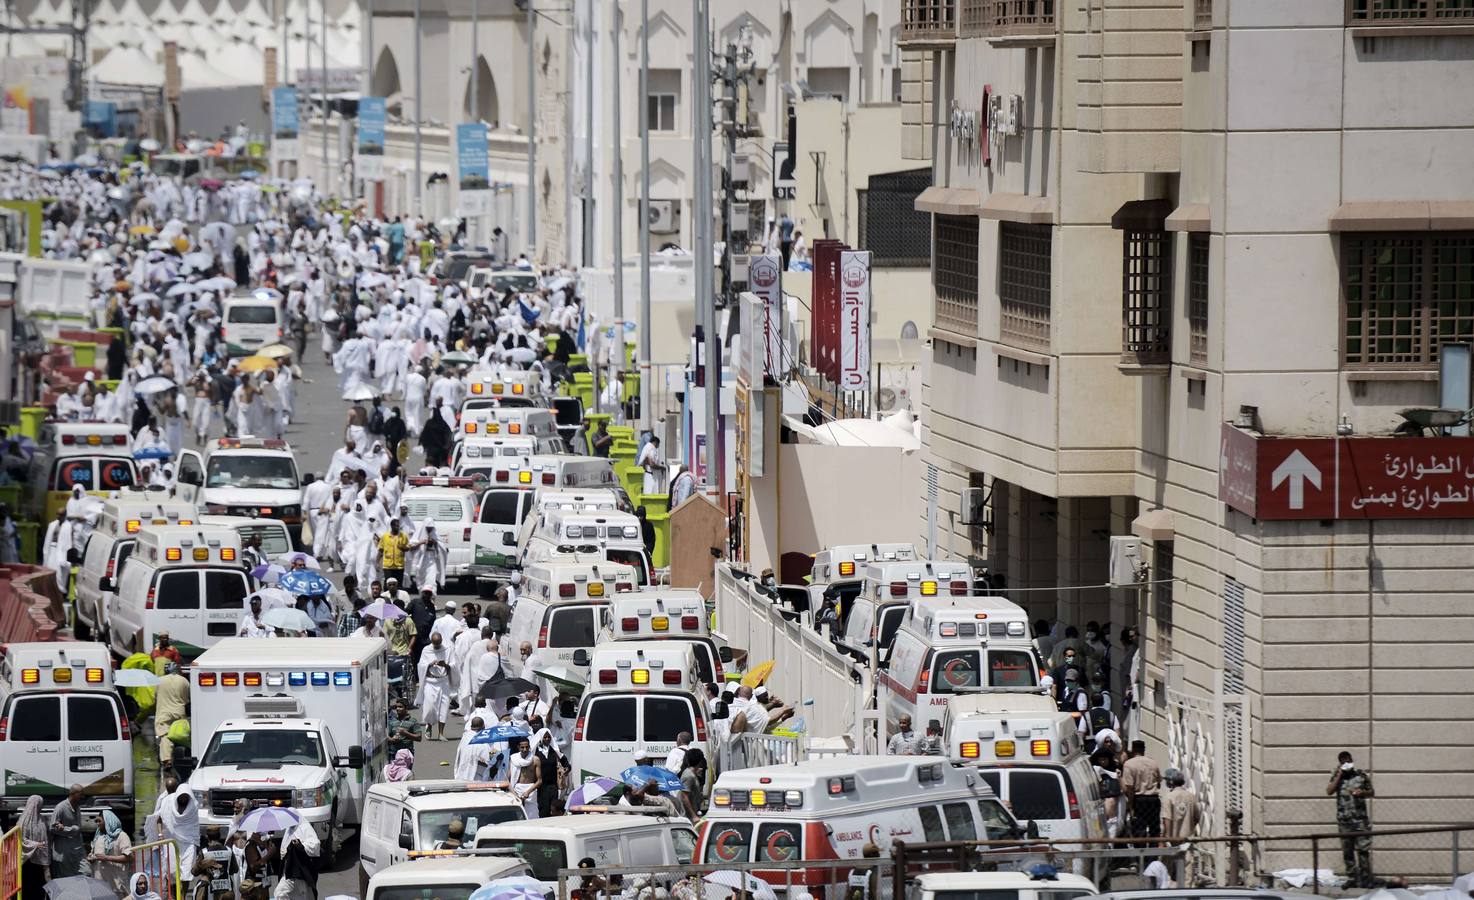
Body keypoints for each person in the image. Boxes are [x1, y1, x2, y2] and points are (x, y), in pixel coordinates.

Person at [1328, 750, 1375, 888]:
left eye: (1349, 761)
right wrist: (1339, 775)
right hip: (1345, 821)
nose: (1347, 764)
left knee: (1363, 851)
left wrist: (1363, 793)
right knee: (1347, 851)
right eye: (1344, 762)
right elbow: (1329, 791)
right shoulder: (1337, 776)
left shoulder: (1361, 775)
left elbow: (1372, 792)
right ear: (1340, 763)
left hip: (1360, 820)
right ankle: (1352, 878)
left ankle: (1366, 879)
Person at [1120, 740, 1163, 839]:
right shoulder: (1153, 763)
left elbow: (1129, 788)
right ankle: (1153, 853)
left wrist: (1130, 806)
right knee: (1154, 829)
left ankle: (1140, 852)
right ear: (1144, 750)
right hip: (1154, 799)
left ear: (1133, 750)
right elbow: (1159, 783)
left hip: (1139, 800)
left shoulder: (1129, 764)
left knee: (1139, 829)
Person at [416, 632, 453, 739]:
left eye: (438, 644)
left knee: (444, 708)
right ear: (432, 642)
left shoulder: (447, 649)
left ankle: (441, 733)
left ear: (441, 641)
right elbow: (421, 665)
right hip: (430, 682)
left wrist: (445, 665)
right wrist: (429, 664)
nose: (437, 647)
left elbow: (453, 665)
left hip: (443, 681)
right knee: (430, 707)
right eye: (435, 644)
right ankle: (429, 725)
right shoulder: (426, 650)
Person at [89, 809, 133, 896]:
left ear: (108, 821)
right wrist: (91, 858)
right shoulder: (98, 836)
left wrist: (107, 858)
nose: (97, 824)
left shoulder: (121, 836)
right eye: (96, 821)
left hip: (116, 883)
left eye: (99, 821)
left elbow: (129, 857)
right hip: (100, 883)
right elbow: (94, 854)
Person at [48, 783, 87, 878]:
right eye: (80, 794)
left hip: (77, 850)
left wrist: (68, 829)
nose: (83, 796)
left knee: (87, 872)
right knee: (67, 879)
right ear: (73, 794)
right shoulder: (60, 807)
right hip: (64, 852)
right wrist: (72, 829)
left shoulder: (77, 807)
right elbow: (52, 828)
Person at [533, 728, 568, 818]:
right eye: (545, 737)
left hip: (553, 786)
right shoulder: (536, 751)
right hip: (541, 787)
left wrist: (566, 769)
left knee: (553, 809)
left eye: (549, 737)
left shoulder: (554, 751)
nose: (547, 739)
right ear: (541, 738)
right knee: (543, 809)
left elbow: (564, 761)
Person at [18, 795, 47, 900]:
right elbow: (21, 839)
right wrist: (35, 844)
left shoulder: (41, 819)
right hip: (27, 861)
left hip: (38, 859)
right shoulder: (23, 821)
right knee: (28, 886)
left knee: (39, 885)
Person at [1162, 767, 1200, 841]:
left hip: (1174, 840)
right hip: (1188, 839)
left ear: (1171, 782)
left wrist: (1166, 838)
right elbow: (1197, 817)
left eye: (1167, 780)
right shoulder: (1191, 796)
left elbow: (1167, 819)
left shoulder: (1169, 797)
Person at [508, 736, 541, 819]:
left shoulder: (535, 760)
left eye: (526, 747)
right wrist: (515, 794)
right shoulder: (514, 759)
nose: (525, 749)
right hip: (517, 789)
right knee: (518, 817)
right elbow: (508, 779)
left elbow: (539, 781)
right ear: (518, 747)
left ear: (529, 747)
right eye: (522, 747)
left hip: (530, 790)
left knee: (532, 816)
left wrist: (528, 792)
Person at [679, 748, 708, 820]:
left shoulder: (692, 773)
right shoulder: (689, 775)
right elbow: (684, 796)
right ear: (700, 761)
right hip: (687, 817)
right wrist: (693, 816)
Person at [379, 518, 409, 586]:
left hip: (399, 566)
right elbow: (381, 550)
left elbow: (408, 548)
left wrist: (403, 548)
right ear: (391, 526)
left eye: (398, 526)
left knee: (398, 585)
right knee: (388, 584)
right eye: (396, 526)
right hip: (388, 566)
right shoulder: (385, 536)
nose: (398, 527)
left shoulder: (403, 536)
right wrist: (377, 563)